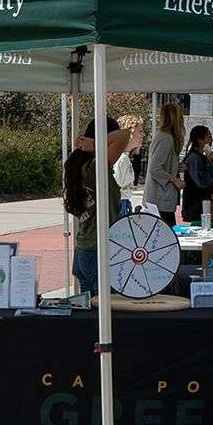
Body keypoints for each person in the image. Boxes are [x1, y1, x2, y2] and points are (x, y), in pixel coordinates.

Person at [62, 117, 126, 295]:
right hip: (99, 251)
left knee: (88, 311)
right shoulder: (95, 168)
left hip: (84, 249)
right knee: (105, 310)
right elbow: (124, 136)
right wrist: (97, 144)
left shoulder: (80, 167)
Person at [144, 102, 186, 225]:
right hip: (160, 200)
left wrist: (175, 166)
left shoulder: (164, 137)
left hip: (159, 200)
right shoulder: (166, 138)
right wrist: (174, 179)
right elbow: (155, 168)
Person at [181, 125, 213, 224]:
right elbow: (203, 181)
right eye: (208, 136)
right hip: (197, 206)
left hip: (203, 205)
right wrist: (212, 163)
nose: (211, 140)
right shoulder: (194, 158)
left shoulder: (202, 157)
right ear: (200, 140)